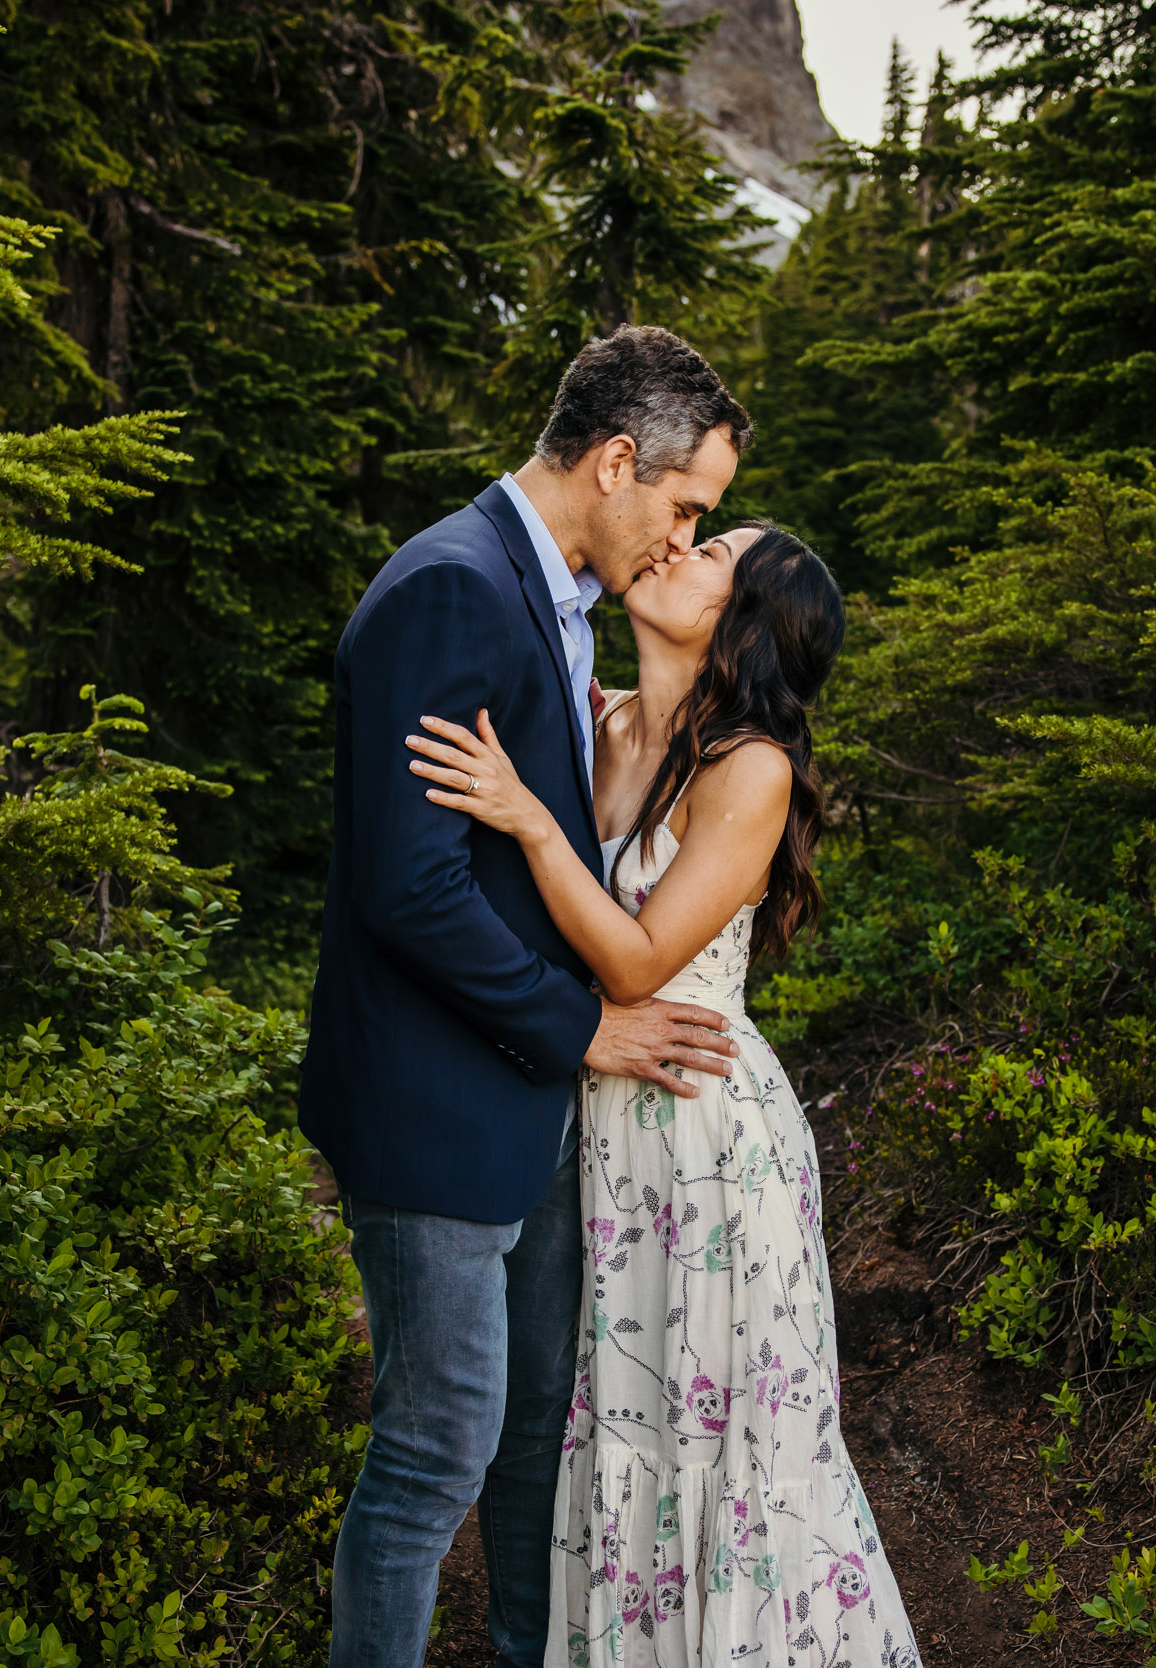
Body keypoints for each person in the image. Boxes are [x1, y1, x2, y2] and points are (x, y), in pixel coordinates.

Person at [301, 326, 757, 1668]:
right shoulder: (454, 586)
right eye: (683, 507)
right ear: (618, 460)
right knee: (434, 1452)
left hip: (522, 1109)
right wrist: (585, 1025)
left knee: (532, 1422)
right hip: (437, 1109)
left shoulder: (547, 594)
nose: (680, 542)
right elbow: (411, 886)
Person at [404, 522, 918, 1668]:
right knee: (621, 1420)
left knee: (722, 1431)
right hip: (594, 1120)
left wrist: (530, 818)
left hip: (706, 1132)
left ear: (741, 625)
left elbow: (636, 962)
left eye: (708, 556)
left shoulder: (752, 768)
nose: (673, 549)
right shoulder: (600, 720)